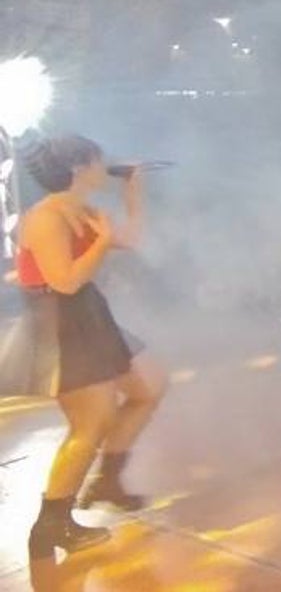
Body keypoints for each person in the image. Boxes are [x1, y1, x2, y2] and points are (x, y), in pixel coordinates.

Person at [14, 136, 167, 560]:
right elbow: (64, 281)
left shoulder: (83, 208)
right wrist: (99, 243)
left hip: (86, 314)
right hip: (59, 320)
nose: (107, 166)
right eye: (101, 160)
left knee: (148, 387)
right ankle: (50, 526)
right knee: (89, 425)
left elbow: (130, 239)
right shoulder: (45, 218)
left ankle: (108, 481)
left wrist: (133, 194)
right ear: (81, 167)